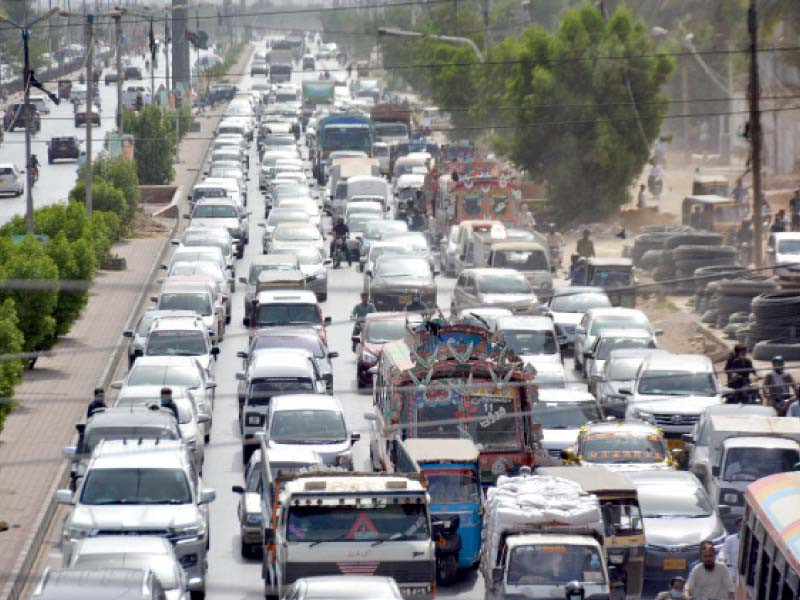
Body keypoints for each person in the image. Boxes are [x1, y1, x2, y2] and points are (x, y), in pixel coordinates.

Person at [719, 517, 743, 584]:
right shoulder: (730, 539)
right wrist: (723, 560)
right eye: (740, 526)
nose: (742, 528)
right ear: (737, 528)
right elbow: (723, 552)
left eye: (743, 526)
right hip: (732, 569)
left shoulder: (751, 541)